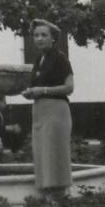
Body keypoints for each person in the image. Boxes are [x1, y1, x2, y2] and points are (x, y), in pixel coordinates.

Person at [21, 18, 74, 196]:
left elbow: (69, 87)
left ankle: (59, 200)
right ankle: (49, 201)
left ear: (53, 38)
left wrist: (42, 90)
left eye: (44, 35)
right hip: (40, 112)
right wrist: (31, 92)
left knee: (54, 155)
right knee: (43, 154)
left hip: (56, 112)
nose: (39, 38)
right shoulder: (39, 60)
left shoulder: (60, 58)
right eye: (36, 35)